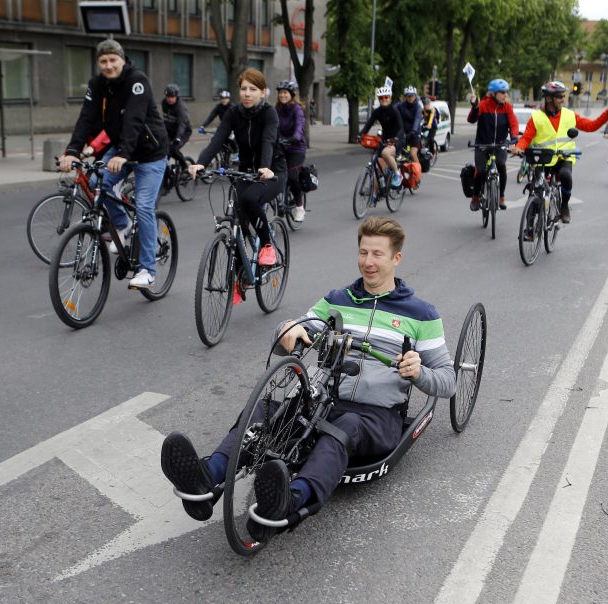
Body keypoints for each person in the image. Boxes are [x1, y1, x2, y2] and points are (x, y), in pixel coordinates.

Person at [160, 217, 456, 542]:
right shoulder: (337, 300)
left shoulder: (421, 315)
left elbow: (447, 380)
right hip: (324, 401)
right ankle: (207, 477)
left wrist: (418, 371)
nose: (368, 262)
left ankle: (292, 500)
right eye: (363, 253)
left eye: (377, 254)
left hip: (377, 416)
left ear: (396, 258)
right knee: (267, 411)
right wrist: (289, 329)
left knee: (345, 428)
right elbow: (296, 326)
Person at [58, 39, 169, 289]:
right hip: (121, 149)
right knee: (97, 182)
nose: (108, 65)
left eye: (113, 60)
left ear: (122, 60)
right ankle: (121, 223)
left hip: (150, 153)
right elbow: (86, 117)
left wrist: (124, 154)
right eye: (103, 61)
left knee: (143, 206)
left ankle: (148, 270)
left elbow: (134, 119)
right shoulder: (97, 85)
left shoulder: (137, 80)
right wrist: (73, 151)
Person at [189, 68, 286, 298]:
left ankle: (267, 245)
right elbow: (218, 139)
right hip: (245, 172)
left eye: (253, 89)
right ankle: (242, 277)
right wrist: (201, 163)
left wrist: (265, 166)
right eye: (243, 89)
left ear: (263, 92)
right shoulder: (234, 113)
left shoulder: (269, 113)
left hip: (272, 172)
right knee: (236, 221)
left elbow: (268, 140)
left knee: (250, 199)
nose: (247, 94)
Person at [511, 81, 608, 224]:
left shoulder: (569, 115)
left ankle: (564, 205)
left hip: (563, 157)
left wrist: (607, 114)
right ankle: (529, 227)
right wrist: (519, 147)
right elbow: (526, 137)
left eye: (564, 96)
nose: (563, 100)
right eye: (560, 96)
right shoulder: (537, 118)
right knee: (535, 189)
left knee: (566, 175)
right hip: (543, 158)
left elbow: (591, 126)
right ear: (548, 98)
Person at [467, 78, 519, 211]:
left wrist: (513, 139)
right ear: (493, 94)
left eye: (506, 92)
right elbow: (471, 119)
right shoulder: (483, 105)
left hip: (500, 145)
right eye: (502, 92)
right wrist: (474, 107)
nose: (505, 95)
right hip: (482, 145)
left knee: (502, 167)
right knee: (481, 170)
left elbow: (513, 124)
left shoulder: (507, 107)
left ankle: (501, 196)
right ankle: (476, 197)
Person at [359, 85, 405, 189]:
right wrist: (360, 134)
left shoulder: (394, 111)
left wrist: (396, 139)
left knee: (385, 153)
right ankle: (375, 196)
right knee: (378, 169)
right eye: (381, 98)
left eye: (386, 97)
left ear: (390, 98)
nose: (384, 99)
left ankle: (398, 174)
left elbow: (401, 129)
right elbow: (368, 125)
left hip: (398, 140)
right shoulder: (377, 112)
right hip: (385, 140)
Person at [275, 80, 308, 223]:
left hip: (296, 148)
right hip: (281, 146)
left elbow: (300, 125)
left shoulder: (297, 109)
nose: (282, 95)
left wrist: (295, 137)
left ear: (291, 95)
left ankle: (300, 208)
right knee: (268, 173)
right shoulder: (276, 109)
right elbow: (271, 126)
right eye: (280, 93)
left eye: (285, 93)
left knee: (292, 177)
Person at [161, 83, 192, 191]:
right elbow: (165, 120)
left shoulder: (180, 107)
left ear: (176, 96)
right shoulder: (164, 103)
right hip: (170, 132)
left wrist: (178, 138)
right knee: (163, 152)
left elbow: (182, 124)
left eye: (172, 97)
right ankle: (166, 179)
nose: (169, 99)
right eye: (168, 97)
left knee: (173, 148)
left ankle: (185, 166)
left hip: (183, 132)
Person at [394, 86, 422, 164]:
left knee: (413, 154)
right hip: (403, 133)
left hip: (414, 134)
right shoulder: (401, 105)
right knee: (395, 152)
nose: (410, 98)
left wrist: (413, 131)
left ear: (415, 96)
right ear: (405, 97)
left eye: (412, 96)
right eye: (408, 96)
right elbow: (393, 110)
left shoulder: (418, 107)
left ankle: (418, 171)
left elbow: (417, 119)